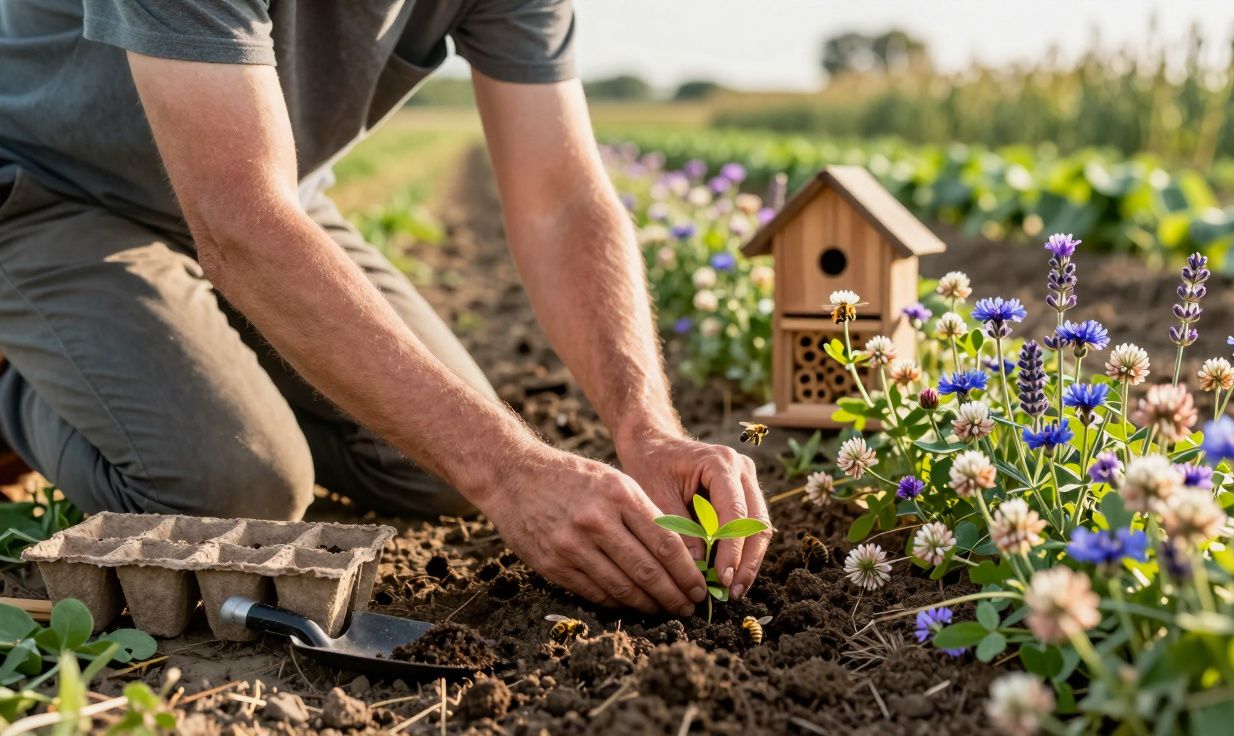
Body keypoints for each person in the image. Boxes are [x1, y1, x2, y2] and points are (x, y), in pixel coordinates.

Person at [0, 0, 771, 618]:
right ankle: (21, 381)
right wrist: (509, 472)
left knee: (432, 467)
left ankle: (183, 356)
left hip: (273, 201)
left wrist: (647, 428)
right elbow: (238, 219)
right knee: (238, 489)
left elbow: (561, 203)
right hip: (53, 195)